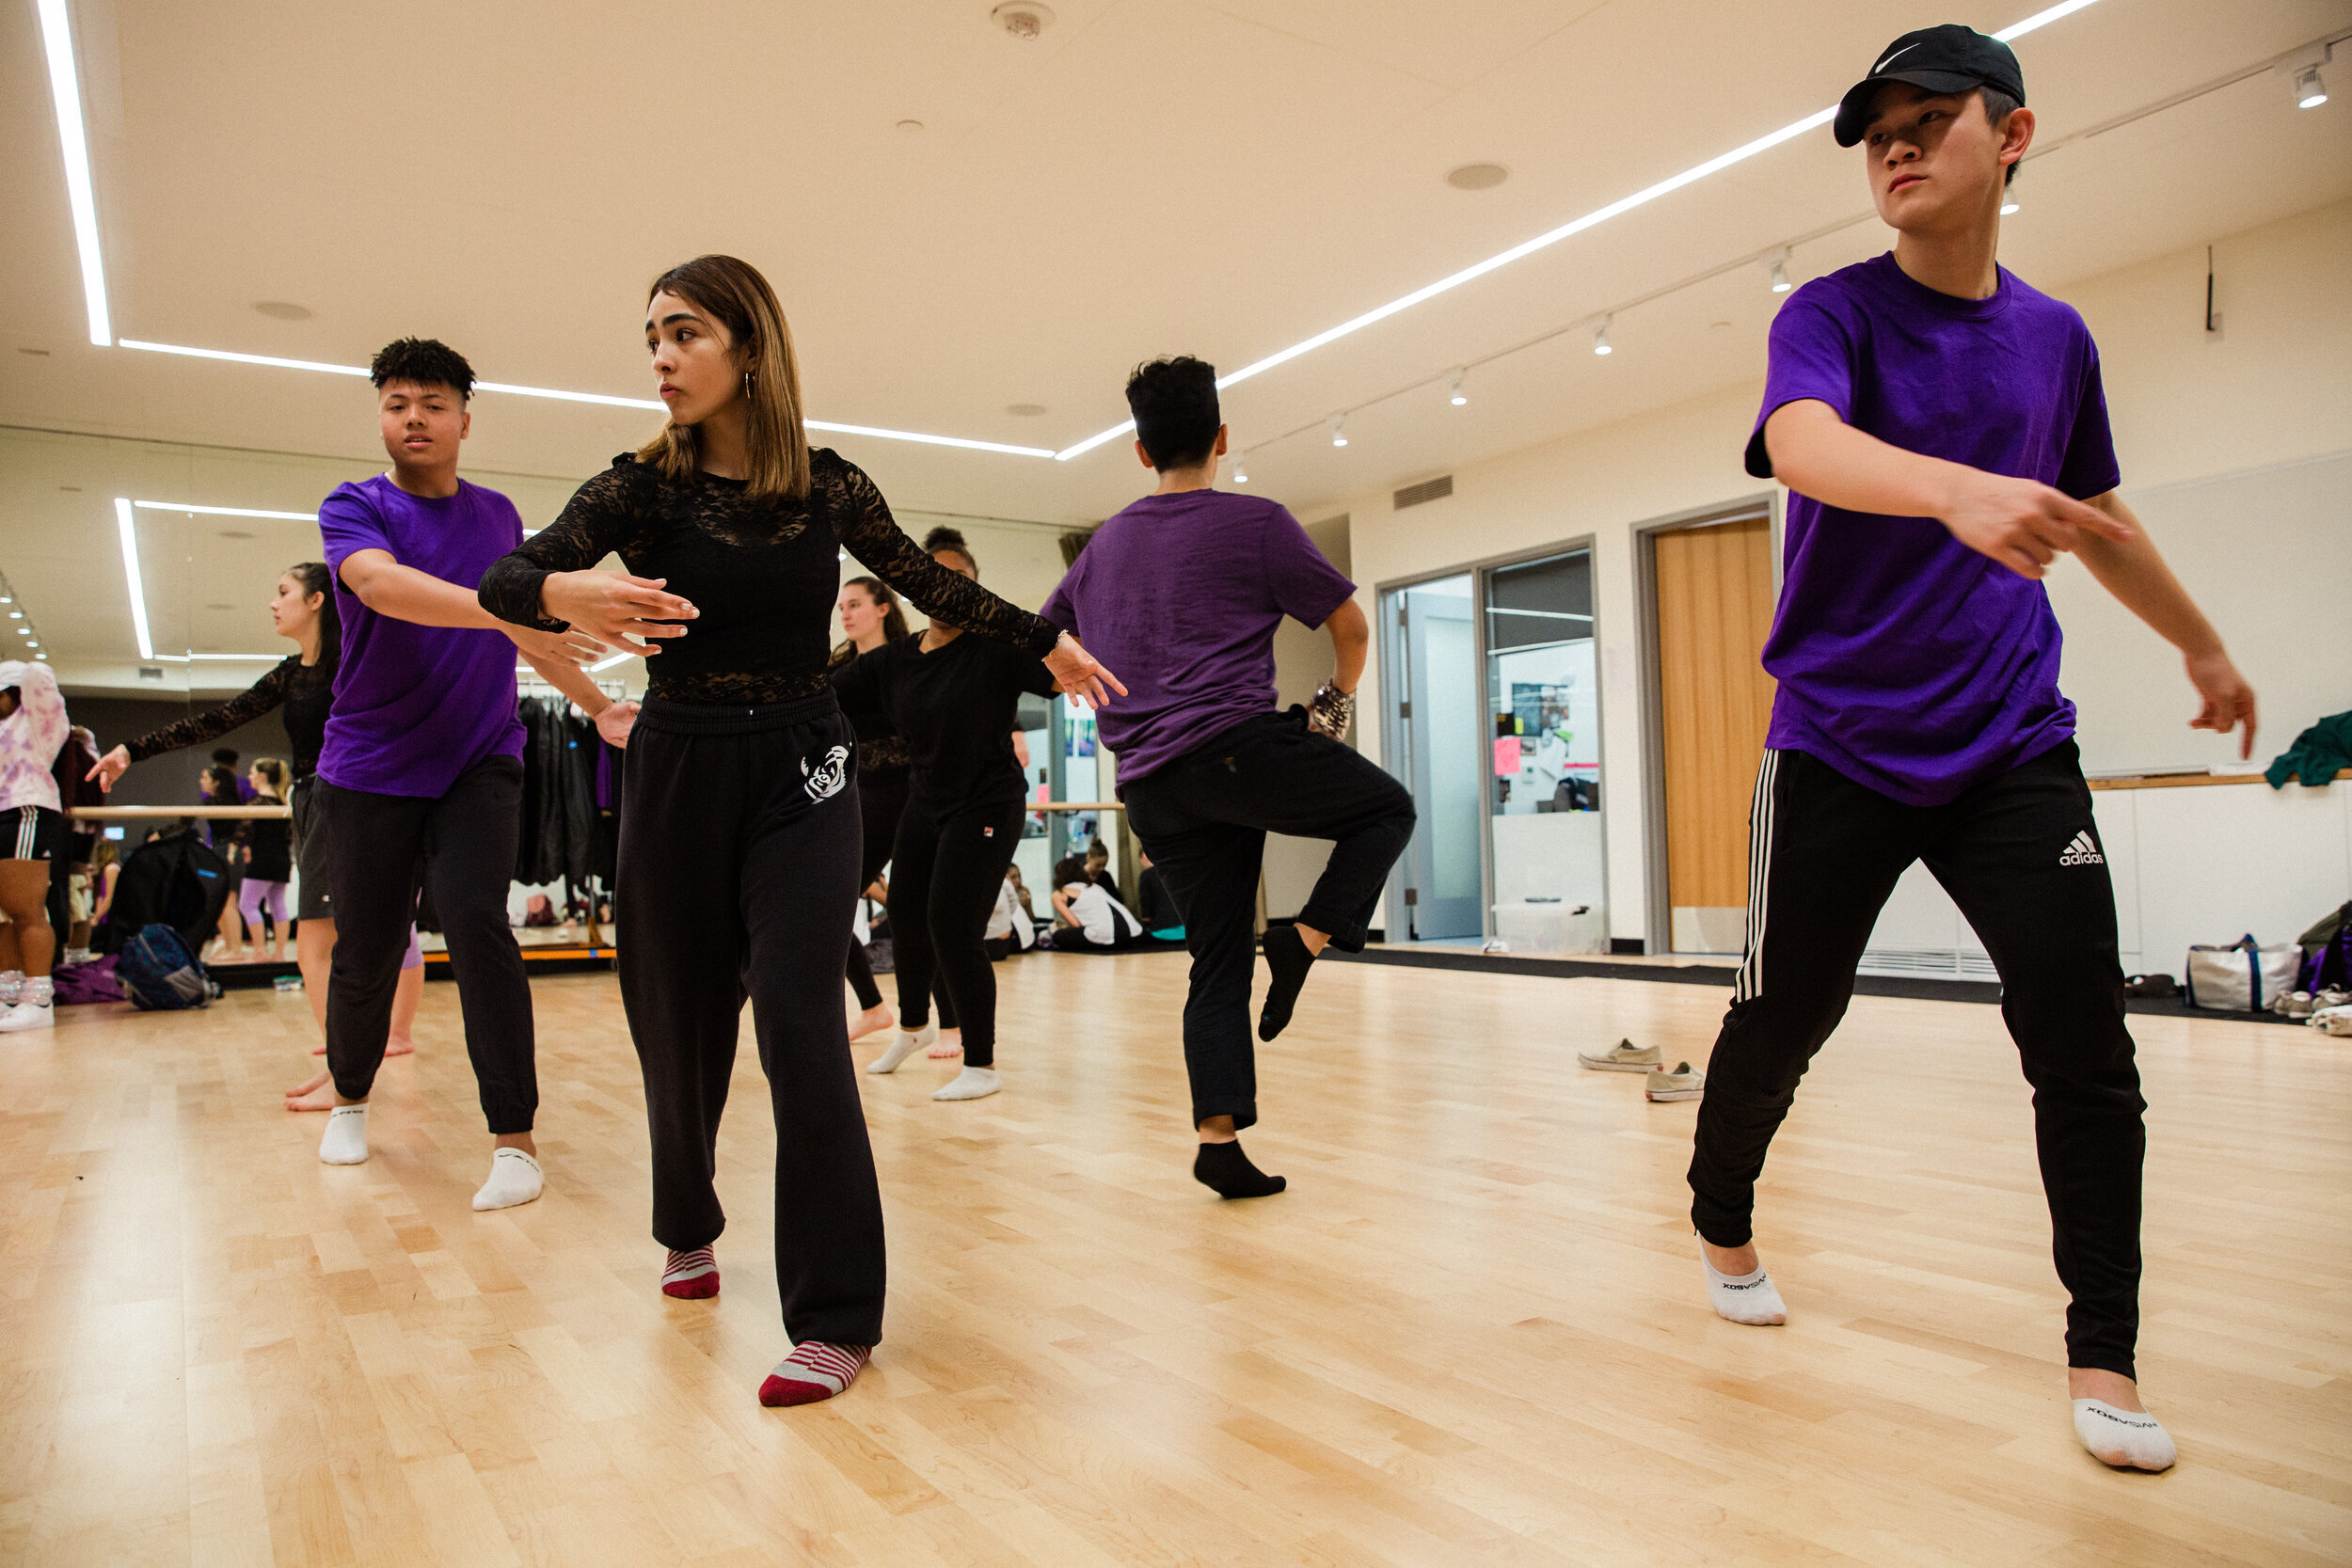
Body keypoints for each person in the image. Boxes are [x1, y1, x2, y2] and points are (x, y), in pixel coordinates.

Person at [1689, 26, 2261, 1477]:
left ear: (2010, 135)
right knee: (1787, 1013)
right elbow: (1804, 442)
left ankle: (2105, 1349)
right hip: (1836, 739)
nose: (1894, 144)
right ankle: (1721, 1205)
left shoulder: (2054, 339)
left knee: (2084, 1046)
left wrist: (2199, 643)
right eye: (1876, 127)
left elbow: (2095, 517)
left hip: (2013, 742)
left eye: (1928, 118)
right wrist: (1949, 490)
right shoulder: (1830, 313)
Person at [477, 254, 1118, 1407]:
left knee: (801, 1025)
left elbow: (926, 580)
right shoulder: (639, 486)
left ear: (750, 349)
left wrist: (1044, 641)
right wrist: (562, 595)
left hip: (806, 764)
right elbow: (510, 574)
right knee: (675, 1023)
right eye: (652, 338)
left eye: (684, 333)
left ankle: (833, 1314)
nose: (662, 357)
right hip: (675, 761)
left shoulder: (828, 483)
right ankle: (688, 1222)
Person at [1041, 356, 1412, 1199]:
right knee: (1387, 809)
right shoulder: (1257, 522)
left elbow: (1045, 640)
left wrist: (1083, 675)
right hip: (1234, 751)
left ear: (1140, 451)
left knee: (1214, 961)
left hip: (1152, 788)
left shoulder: (1103, 545)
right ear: (1221, 438)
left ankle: (1219, 1144)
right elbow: (1351, 630)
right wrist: (1331, 712)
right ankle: (1306, 935)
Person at [308, 336, 619, 1209]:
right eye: (398, 403)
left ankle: (514, 1140)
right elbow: (380, 586)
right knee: (368, 947)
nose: (414, 417)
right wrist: (509, 613)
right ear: (381, 417)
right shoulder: (353, 505)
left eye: (433, 404)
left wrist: (600, 707)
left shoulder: (497, 518)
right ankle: (350, 1098)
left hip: (482, 757)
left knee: (482, 926)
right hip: (368, 765)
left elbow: (529, 633)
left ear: (464, 421)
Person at [89, 562, 426, 1107]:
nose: (274, 603)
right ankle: (348, 1065)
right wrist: (133, 750)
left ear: (317, 601)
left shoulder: (356, 661)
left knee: (321, 940)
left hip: (351, 800)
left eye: (283, 592)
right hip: (318, 801)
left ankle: (348, 1079)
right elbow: (219, 719)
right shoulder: (292, 674)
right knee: (324, 941)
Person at [834, 526, 1060, 1102]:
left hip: (987, 803)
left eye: (961, 581)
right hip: (926, 800)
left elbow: (1060, 669)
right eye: (934, 577)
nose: (946, 590)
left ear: (977, 591)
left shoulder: (997, 649)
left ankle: (981, 1063)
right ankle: (911, 1029)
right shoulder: (895, 662)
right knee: (905, 914)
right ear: (914, 587)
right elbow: (822, 694)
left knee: (952, 926)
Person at [827, 575, 954, 1046]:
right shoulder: (837, 668)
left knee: (924, 908)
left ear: (883, 608)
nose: (845, 614)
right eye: (841, 607)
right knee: (826, 902)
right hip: (859, 793)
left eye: (855, 604)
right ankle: (874, 1006)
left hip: (915, 791)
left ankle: (951, 1024)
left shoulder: (911, 657)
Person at [0, 660, 69, 1031]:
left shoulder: (38, 722)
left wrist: (15, 667)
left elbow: (39, 677)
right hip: (3, 814)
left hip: (26, 811)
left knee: (26, 910)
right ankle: (8, 994)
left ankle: (39, 999)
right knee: (5, 915)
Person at [238, 757, 293, 962]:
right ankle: (279, 953)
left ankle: (259, 951)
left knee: (247, 905)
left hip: (262, 860)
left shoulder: (257, 802)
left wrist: (236, 847)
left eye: (252, 773)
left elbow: (243, 829)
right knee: (278, 905)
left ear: (262, 777)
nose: (249, 777)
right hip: (282, 859)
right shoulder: (283, 803)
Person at [1048, 866, 1142, 952]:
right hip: (1133, 935)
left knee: (1058, 935)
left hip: (1108, 937)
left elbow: (1076, 925)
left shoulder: (1059, 894)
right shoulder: (1096, 887)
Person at [983, 864, 1035, 960]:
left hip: (1007, 941)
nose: (1018, 880)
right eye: (1013, 877)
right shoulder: (1008, 888)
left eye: (1019, 876)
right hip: (1022, 940)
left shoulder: (1022, 891)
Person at [1136, 847, 1184, 940]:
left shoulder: (1146, 875)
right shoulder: (1176, 871)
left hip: (1160, 933)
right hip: (1185, 932)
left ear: (1145, 857)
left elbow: (1145, 905)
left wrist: (1146, 923)